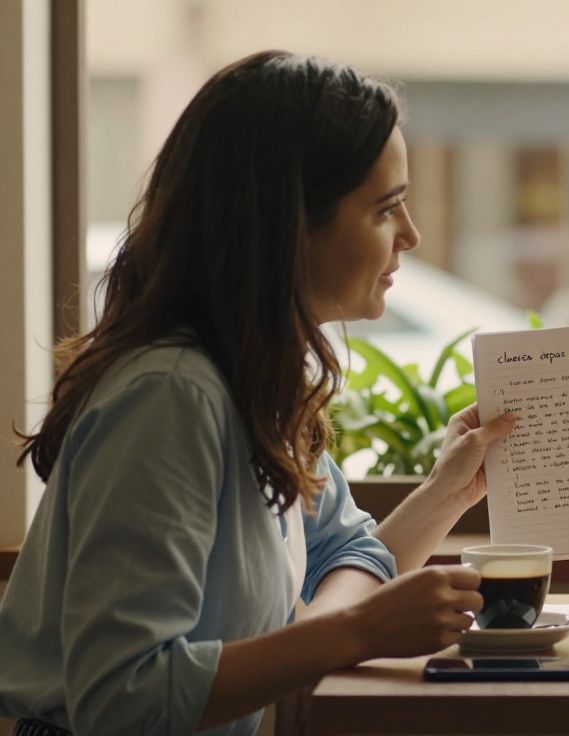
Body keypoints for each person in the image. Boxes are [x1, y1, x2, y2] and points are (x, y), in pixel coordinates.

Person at [0, 51, 515, 735]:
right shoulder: (169, 398)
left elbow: (347, 556)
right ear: (289, 223)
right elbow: (121, 699)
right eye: (386, 208)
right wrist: (357, 632)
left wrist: (451, 488)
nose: (412, 236)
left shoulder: (258, 379)